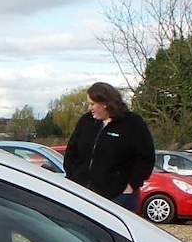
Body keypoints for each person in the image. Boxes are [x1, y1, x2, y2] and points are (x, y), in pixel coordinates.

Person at [63, 82, 155, 212]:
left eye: (92, 104)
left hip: (117, 197)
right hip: (82, 194)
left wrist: (131, 186)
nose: (89, 108)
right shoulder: (86, 122)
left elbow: (146, 157)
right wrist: (72, 177)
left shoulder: (132, 123)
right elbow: (71, 152)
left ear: (105, 104)